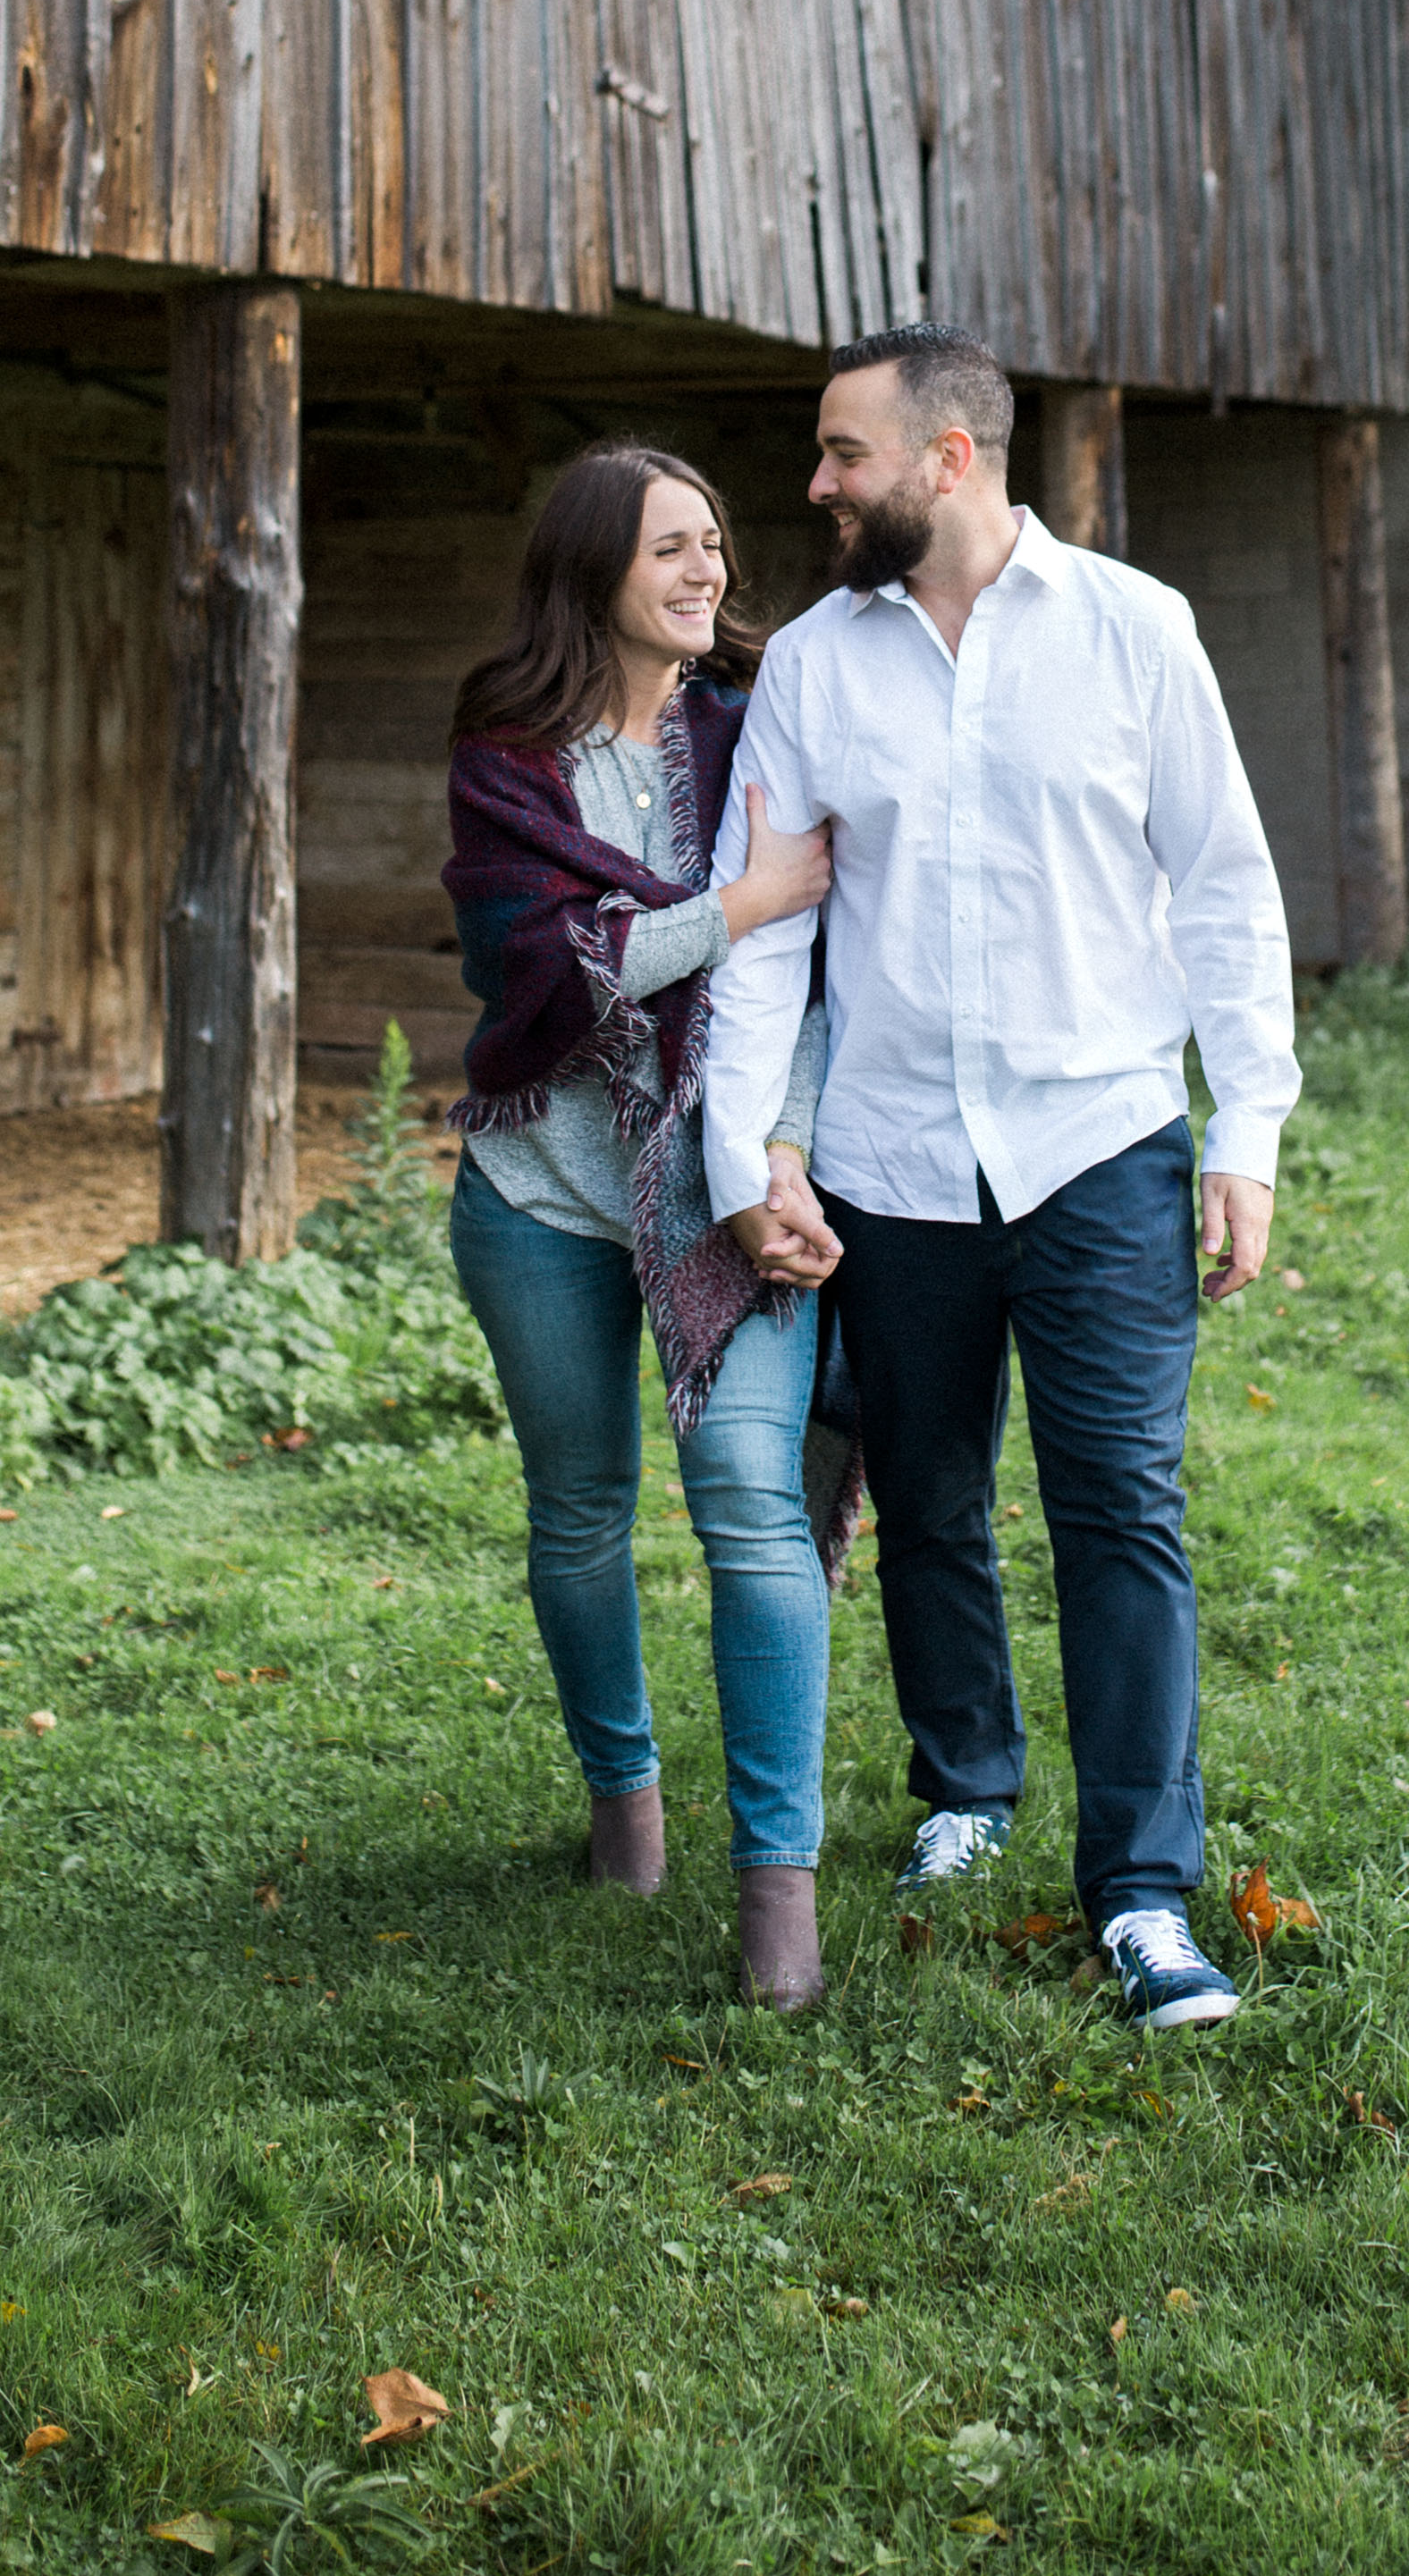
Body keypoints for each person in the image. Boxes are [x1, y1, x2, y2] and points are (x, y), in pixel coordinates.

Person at [698, 325, 1301, 2030]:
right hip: (891, 1167)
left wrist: (1244, 1130)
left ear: (949, 457)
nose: (816, 487)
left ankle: (1144, 1896)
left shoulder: (1136, 631)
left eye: (842, 455)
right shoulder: (814, 666)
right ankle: (965, 1785)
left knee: (1124, 1511)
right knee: (933, 1504)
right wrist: (756, 1160)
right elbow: (766, 936)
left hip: (1100, 1144)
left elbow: (1225, 889)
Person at [442, 440, 847, 2011]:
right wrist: (732, 907)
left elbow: (824, 964)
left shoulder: (759, 732)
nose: (707, 576)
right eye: (671, 550)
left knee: (750, 1505)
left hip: (726, 1191)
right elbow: (534, 970)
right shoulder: (505, 756)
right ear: (594, 571)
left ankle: (779, 1895)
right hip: (540, 1192)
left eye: (715, 546)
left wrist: (784, 1148)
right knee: (580, 1514)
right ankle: (626, 1808)